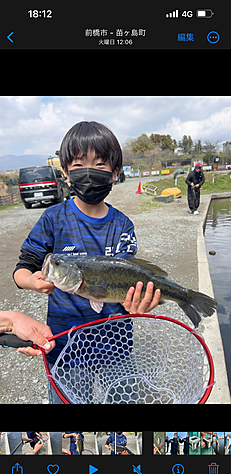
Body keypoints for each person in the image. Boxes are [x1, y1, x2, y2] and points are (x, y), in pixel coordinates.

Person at [13, 121, 161, 403]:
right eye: (79, 164)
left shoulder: (122, 225)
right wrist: (31, 280)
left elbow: (128, 278)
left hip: (116, 346)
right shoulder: (52, 219)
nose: (89, 172)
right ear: (67, 173)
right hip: (64, 345)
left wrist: (137, 302)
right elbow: (23, 267)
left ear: (115, 173)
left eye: (101, 164)